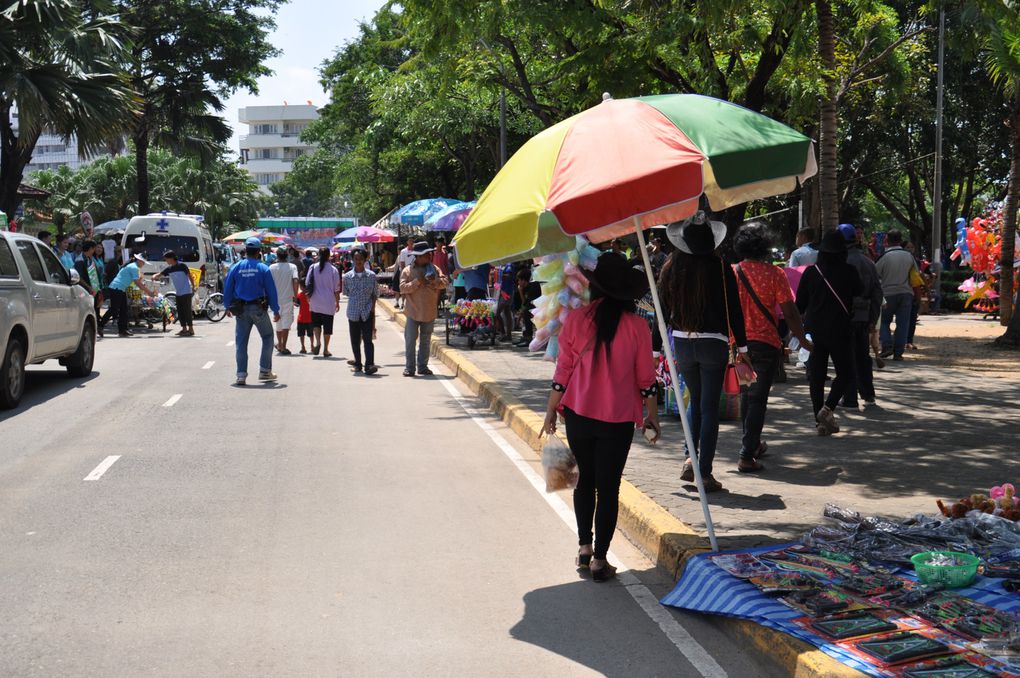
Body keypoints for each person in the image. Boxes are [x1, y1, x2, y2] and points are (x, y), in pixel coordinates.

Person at [543, 252, 659, 582]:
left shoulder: (577, 321)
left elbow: (561, 370)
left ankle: (583, 547)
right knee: (608, 489)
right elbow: (646, 379)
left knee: (585, 481)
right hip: (618, 419)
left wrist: (551, 408)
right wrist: (652, 417)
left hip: (578, 413)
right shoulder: (637, 326)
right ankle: (600, 559)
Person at [659, 213, 748, 493]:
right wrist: (743, 348)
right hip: (714, 344)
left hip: (683, 342)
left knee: (694, 400)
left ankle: (689, 456)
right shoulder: (721, 267)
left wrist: (653, 348)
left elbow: (661, 312)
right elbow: (734, 309)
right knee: (708, 406)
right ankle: (704, 472)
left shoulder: (671, 266)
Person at [732, 223, 812, 472]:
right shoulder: (775, 274)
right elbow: (789, 313)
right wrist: (803, 340)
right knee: (757, 400)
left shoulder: (732, 272)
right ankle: (747, 454)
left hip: (739, 346)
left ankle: (752, 444)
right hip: (766, 343)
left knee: (748, 395)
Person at [796, 230, 862, 435]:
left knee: (816, 376)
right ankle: (828, 408)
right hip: (840, 329)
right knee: (846, 372)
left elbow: (800, 304)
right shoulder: (850, 271)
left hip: (814, 331)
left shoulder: (810, 272)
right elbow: (861, 292)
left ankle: (819, 421)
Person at [223, 236, 281, 385]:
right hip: (258, 309)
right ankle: (264, 371)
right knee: (268, 337)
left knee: (241, 343)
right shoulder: (263, 268)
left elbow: (228, 287)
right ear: (259, 252)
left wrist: (227, 305)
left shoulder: (236, 267)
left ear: (245, 251)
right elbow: (271, 291)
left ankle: (241, 375)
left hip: (241, 310)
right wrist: (276, 310)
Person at [839, 224, 883, 407]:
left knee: (846, 356)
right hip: (864, 316)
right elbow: (877, 293)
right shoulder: (868, 262)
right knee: (862, 355)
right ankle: (868, 394)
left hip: (843, 316)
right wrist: (872, 320)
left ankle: (849, 397)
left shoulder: (839, 262)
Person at [399, 241, 448, 377]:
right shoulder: (407, 271)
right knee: (410, 341)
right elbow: (402, 288)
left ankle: (423, 367)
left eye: (429, 254)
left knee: (425, 341)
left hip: (429, 311)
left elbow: (445, 283)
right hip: (413, 312)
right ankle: (409, 368)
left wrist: (434, 281)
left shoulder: (435, 269)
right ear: (418, 257)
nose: (429, 257)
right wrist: (417, 282)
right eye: (426, 255)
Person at [875, 229, 918, 361]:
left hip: (887, 294)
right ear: (900, 239)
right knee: (903, 323)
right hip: (906, 294)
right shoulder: (909, 256)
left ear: (887, 239)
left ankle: (887, 345)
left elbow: (875, 274)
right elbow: (915, 275)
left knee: (883, 322)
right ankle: (898, 353)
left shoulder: (884, 257)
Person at [342, 248, 379, 375]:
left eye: (361, 259)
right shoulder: (347, 277)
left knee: (368, 340)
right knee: (355, 340)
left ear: (365, 260)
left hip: (367, 312)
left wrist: (372, 309)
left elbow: (375, 294)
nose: (358, 261)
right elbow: (345, 292)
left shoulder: (371, 276)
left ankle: (369, 365)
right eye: (356, 259)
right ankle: (358, 364)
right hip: (353, 313)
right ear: (352, 260)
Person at [107, 252, 157, 337]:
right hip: (116, 288)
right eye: (143, 262)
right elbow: (137, 283)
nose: (144, 264)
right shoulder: (134, 267)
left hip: (121, 289)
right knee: (114, 309)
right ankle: (100, 325)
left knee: (124, 310)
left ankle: (123, 330)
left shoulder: (134, 267)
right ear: (139, 260)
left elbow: (137, 281)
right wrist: (149, 292)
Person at [305, 246, 341, 357]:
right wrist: (337, 302)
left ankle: (318, 342)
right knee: (327, 327)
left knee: (316, 324)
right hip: (328, 303)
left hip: (315, 302)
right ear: (328, 256)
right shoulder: (333, 269)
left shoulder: (312, 267)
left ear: (319, 255)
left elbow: (307, 283)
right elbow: (336, 289)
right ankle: (325, 349)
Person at [153, 250, 196, 337]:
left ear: (171, 258)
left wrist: (193, 287)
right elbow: (160, 274)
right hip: (179, 293)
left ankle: (191, 329)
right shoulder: (170, 268)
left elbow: (190, 276)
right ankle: (184, 329)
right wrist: (154, 276)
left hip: (186, 291)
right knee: (180, 311)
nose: (166, 261)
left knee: (187, 311)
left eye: (166, 259)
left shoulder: (182, 265)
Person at [269, 247, 299, 355]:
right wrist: (296, 295)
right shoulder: (292, 267)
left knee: (278, 323)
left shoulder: (271, 267)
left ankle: (280, 345)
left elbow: (268, 283)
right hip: (288, 299)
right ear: (287, 255)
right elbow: (295, 280)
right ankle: (283, 346)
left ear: (277, 256)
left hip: (275, 300)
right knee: (286, 323)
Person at [73, 240, 105, 338]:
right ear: (91, 248)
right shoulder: (80, 260)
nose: (95, 250)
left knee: (95, 310)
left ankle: (94, 331)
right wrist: (89, 287)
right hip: (84, 291)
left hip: (94, 290)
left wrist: (97, 289)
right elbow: (79, 278)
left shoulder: (90, 259)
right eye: (94, 248)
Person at [514, 266, 541, 348]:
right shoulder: (525, 288)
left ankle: (528, 338)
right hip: (531, 307)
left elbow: (528, 304)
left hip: (539, 307)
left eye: (519, 280)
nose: (518, 282)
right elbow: (524, 303)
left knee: (526, 312)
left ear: (523, 280)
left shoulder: (533, 286)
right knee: (524, 311)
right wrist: (521, 291)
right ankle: (525, 337)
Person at [494, 262, 518, 342]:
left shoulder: (509, 265)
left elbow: (509, 275)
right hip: (505, 291)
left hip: (506, 293)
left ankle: (504, 334)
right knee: (507, 312)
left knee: (497, 313)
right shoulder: (503, 265)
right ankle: (508, 335)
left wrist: (500, 275)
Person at [394, 237, 416, 309]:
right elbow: (402, 263)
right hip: (406, 273)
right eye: (410, 241)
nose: (411, 242)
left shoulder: (416, 251)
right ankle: (403, 303)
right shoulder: (403, 251)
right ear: (407, 242)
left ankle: (411, 304)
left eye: (412, 241)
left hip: (415, 273)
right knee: (404, 289)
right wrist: (405, 273)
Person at [296, 281, 312, 354]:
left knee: (301, 334)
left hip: (301, 318)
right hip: (310, 317)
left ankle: (303, 347)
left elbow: (297, 304)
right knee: (311, 334)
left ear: (302, 287)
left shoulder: (299, 295)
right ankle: (312, 346)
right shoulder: (311, 295)